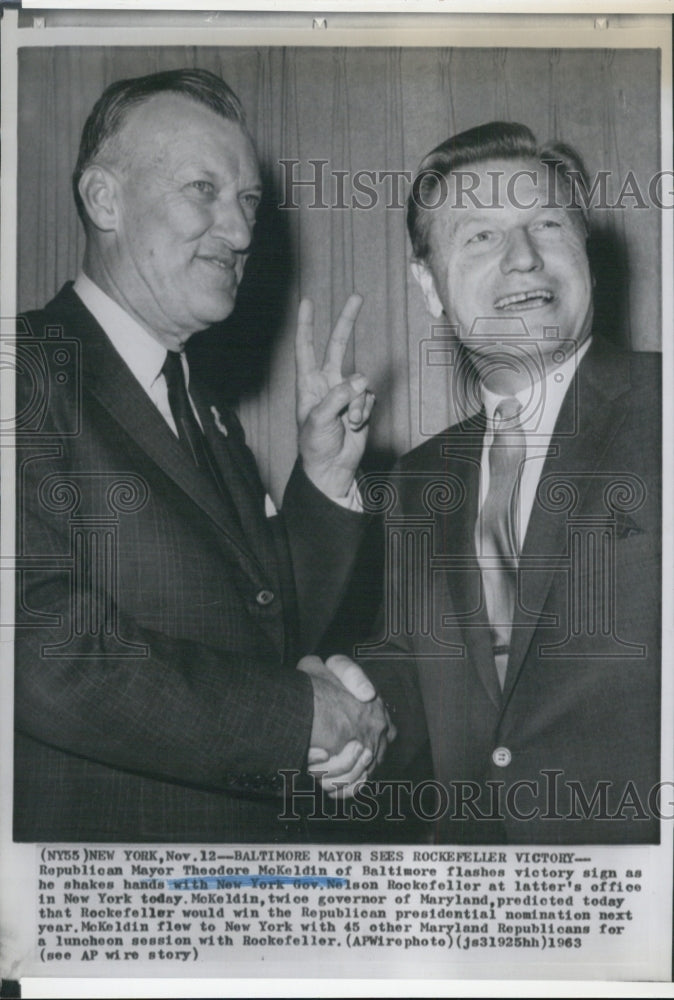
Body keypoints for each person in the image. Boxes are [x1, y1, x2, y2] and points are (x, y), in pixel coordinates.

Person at [13, 68, 396, 843]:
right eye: (204, 190)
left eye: (248, 199)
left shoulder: (202, 409)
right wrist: (301, 718)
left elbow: (269, 632)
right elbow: (37, 650)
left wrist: (323, 476)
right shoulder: (23, 371)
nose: (242, 231)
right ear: (104, 200)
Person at [319, 121, 661, 844]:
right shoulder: (416, 482)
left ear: (586, 254)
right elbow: (427, 677)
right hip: (478, 909)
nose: (525, 258)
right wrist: (354, 695)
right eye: (480, 236)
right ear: (429, 285)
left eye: (547, 223)